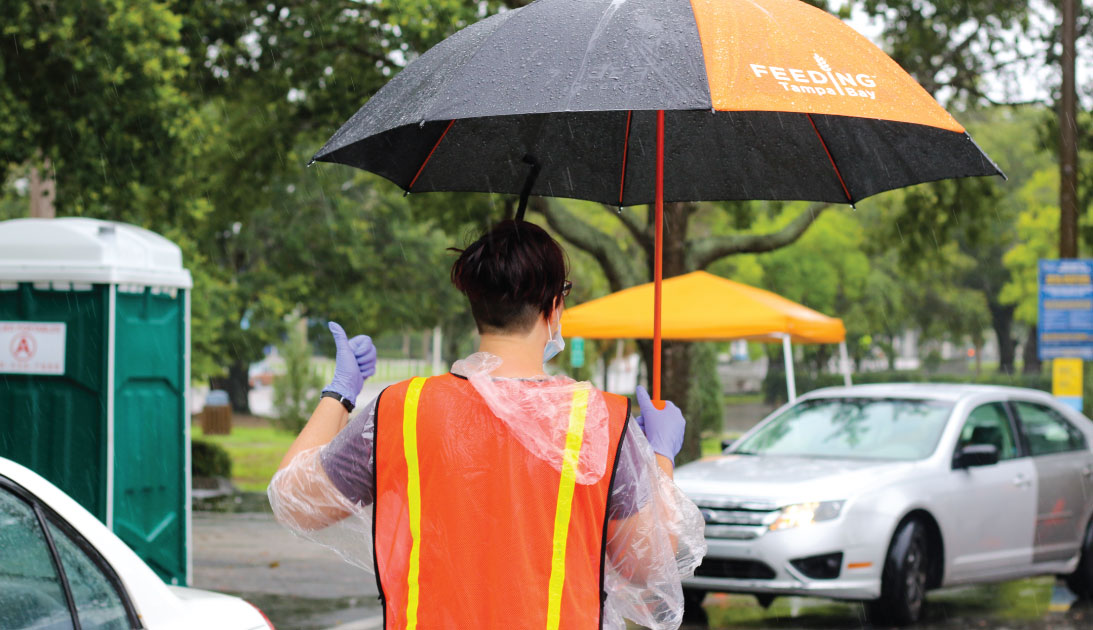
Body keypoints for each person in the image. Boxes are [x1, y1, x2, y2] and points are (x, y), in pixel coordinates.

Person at [268, 220, 705, 630]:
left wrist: (340, 394)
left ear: (476, 302)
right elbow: (647, 564)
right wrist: (660, 457)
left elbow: (295, 501)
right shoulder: (599, 421)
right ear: (555, 306)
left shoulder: (402, 409)